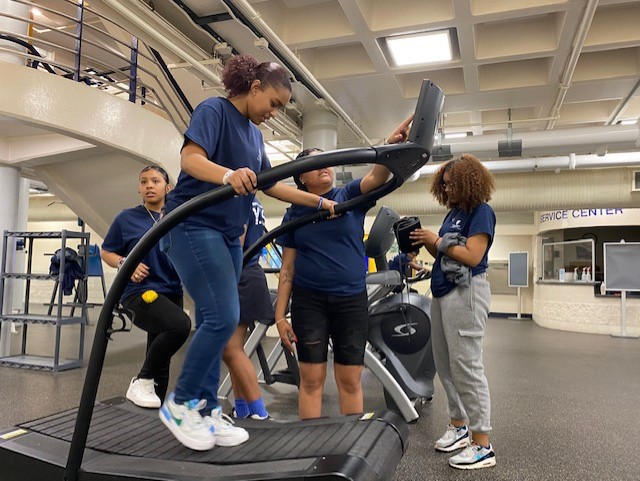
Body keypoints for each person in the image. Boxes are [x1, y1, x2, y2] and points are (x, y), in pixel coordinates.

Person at [158, 54, 338, 451]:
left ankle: (204, 409)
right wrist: (227, 174)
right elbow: (190, 159)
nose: (275, 113)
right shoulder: (214, 110)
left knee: (213, 319)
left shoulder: (255, 135)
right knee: (224, 317)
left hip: (227, 235)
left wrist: (315, 202)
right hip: (193, 227)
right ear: (254, 88)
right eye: (273, 103)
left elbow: (271, 184)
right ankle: (183, 401)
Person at [274, 116, 413, 420]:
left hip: (351, 301)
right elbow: (287, 270)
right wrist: (279, 316)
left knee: (350, 381)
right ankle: (311, 450)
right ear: (301, 179)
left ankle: (352, 446)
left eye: (327, 161)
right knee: (311, 381)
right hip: (309, 303)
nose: (324, 166)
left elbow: (376, 178)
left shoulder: (348, 196)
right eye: (314, 164)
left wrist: (388, 147)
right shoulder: (294, 214)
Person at [408, 154, 497, 470]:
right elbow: (446, 250)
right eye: (443, 185)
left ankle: (482, 444)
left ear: (468, 182)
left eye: (452, 184)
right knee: (445, 364)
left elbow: (472, 256)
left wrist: (438, 239)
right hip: (444, 291)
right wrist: (426, 240)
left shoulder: (481, 212)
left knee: (467, 366)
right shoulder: (455, 214)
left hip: (467, 291)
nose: (447, 190)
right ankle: (459, 426)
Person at [101, 165, 191, 409]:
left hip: (171, 292)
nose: (149, 186)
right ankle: (141, 379)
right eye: (143, 182)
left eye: (155, 181)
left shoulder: (177, 217)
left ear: (167, 187)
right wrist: (125, 263)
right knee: (180, 326)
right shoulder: (126, 218)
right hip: (139, 293)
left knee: (161, 359)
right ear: (139, 189)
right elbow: (106, 251)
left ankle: (154, 413)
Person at [222, 198, 272, 421]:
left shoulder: (236, 197)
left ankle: (260, 412)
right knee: (234, 350)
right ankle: (242, 409)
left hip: (240, 273)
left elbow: (236, 239)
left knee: (231, 350)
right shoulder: (253, 200)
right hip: (248, 273)